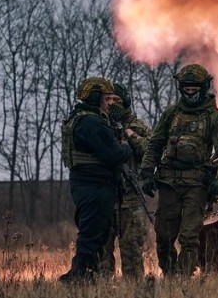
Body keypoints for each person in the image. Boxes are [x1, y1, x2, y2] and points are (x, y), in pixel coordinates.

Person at [139, 64, 218, 277]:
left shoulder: (213, 117)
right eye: (187, 88)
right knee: (163, 236)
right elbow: (155, 144)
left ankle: (183, 279)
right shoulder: (171, 113)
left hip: (197, 184)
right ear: (181, 88)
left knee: (190, 236)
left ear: (203, 88)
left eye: (195, 89)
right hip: (168, 183)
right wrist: (146, 173)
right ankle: (171, 275)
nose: (190, 93)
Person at [59, 77, 132, 283]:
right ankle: (79, 277)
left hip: (89, 184)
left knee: (94, 233)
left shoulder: (81, 118)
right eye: (107, 98)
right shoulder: (91, 122)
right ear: (95, 98)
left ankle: (86, 275)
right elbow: (114, 154)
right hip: (94, 185)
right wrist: (126, 146)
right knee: (92, 235)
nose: (111, 103)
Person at [100, 83, 151, 279]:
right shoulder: (98, 126)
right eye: (108, 99)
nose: (112, 103)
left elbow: (150, 151)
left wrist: (129, 133)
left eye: (117, 100)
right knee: (102, 249)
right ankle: (105, 290)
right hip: (105, 195)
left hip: (130, 197)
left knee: (132, 249)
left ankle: (135, 288)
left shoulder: (138, 126)